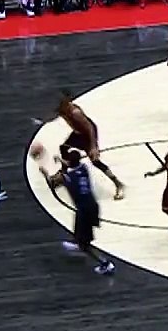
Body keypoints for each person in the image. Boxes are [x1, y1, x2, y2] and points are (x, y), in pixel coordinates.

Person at [41, 148, 116, 276]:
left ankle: (106, 264)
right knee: (81, 232)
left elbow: (52, 184)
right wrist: (60, 160)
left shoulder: (67, 178)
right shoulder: (84, 168)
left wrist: (45, 173)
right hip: (93, 206)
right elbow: (71, 164)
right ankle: (78, 241)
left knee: (85, 244)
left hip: (84, 210)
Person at [56, 92, 125, 200]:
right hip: (78, 132)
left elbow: (90, 128)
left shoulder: (75, 112)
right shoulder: (61, 109)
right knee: (64, 148)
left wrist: (93, 147)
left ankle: (118, 183)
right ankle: (64, 175)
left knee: (95, 161)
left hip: (87, 134)